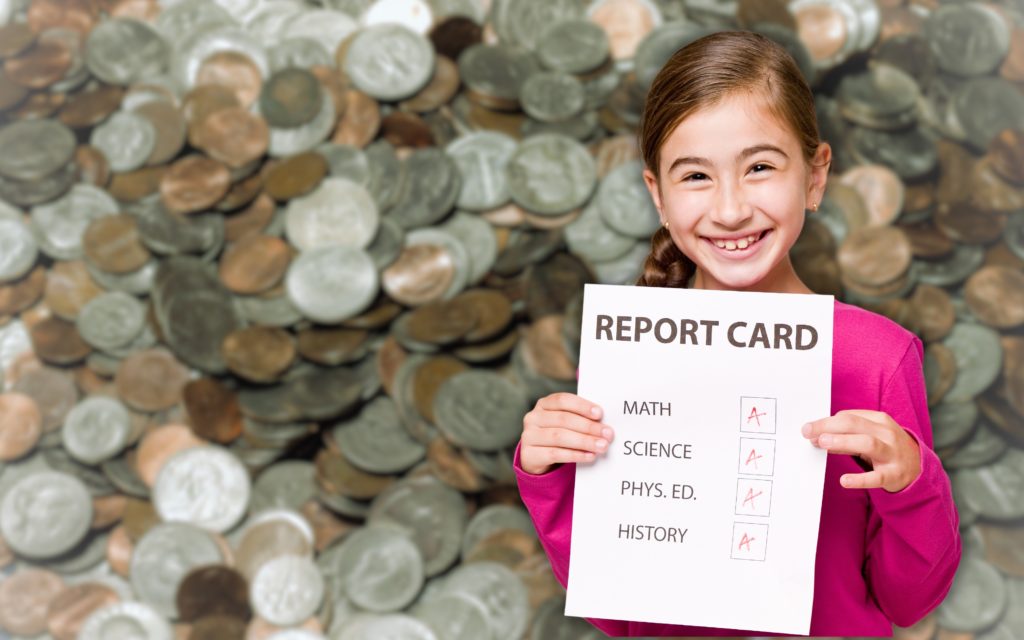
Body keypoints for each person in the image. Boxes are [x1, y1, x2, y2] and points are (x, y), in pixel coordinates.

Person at [514, 30, 962, 637]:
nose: (729, 210)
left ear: (815, 175)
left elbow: (905, 601)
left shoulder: (877, 359)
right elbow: (616, 613)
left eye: (758, 167)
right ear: (659, 196)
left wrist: (912, 482)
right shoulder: (632, 361)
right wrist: (549, 480)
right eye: (696, 176)